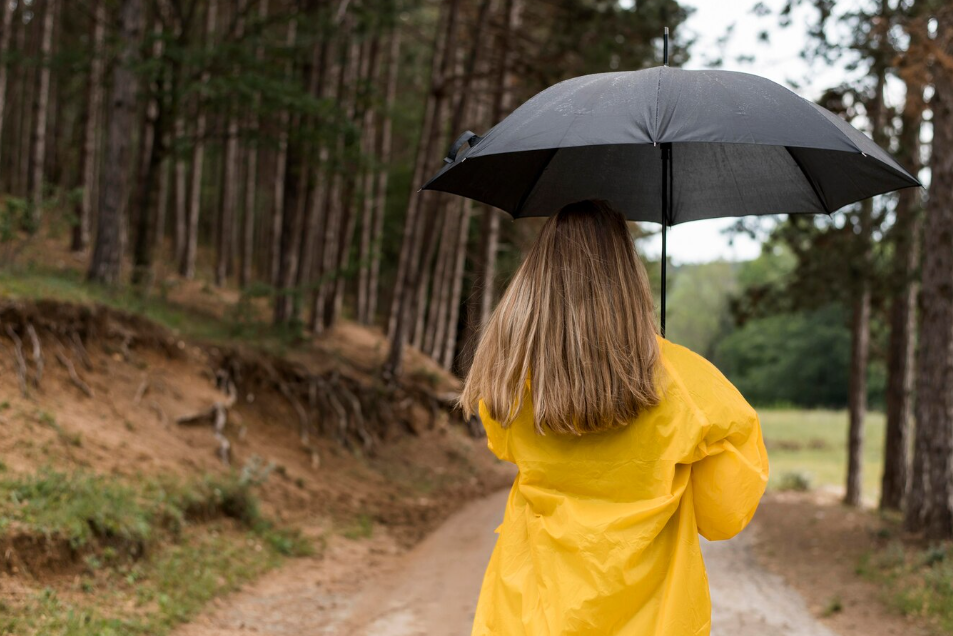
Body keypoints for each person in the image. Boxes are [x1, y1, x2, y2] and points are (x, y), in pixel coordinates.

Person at [460, 199, 769, 636]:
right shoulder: (685, 383)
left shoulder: (511, 380)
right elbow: (723, 516)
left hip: (528, 614)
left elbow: (503, 444)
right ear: (628, 278)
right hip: (656, 619)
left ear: (538, 278)